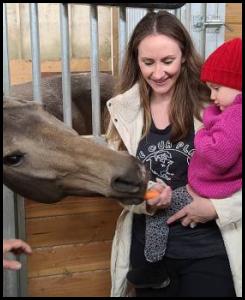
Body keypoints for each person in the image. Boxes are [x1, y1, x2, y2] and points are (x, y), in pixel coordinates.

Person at [105, 11, 242, 297]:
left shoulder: (217, 103)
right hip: (149, 259)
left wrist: (217, 209)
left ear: (184, 56)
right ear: (135, 60)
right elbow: (113, 180)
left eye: (168, 61)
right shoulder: (122, 111)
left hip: (210, 253)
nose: (158, 72)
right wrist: (145, 198)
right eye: (148, 62)